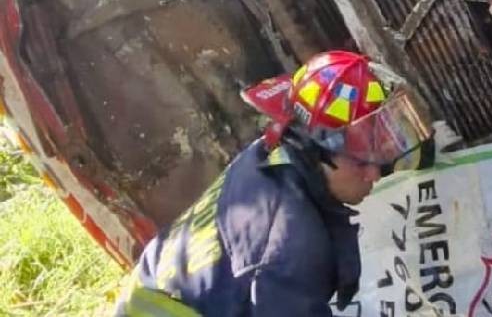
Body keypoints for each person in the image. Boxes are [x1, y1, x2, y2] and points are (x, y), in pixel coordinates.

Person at [114, 50, 434, 316]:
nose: (375, 175)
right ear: (316, 151)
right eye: (361, 161)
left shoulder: (273, 152)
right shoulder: (293, 247)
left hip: (157, 288)